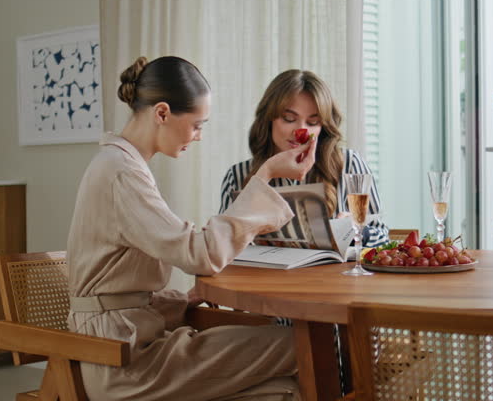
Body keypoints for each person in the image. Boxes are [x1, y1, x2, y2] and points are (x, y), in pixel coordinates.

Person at [66, 56, 316, 401]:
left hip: (132, 343)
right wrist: (266, 176)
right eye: (198, 125)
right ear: (163, 114)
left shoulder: (122, 165)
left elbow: (117, 286)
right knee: (298, 344)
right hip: (123, 361)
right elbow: (201, 254)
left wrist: (179, 301)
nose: (198, 136)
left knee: (285, 392)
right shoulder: (121, 172)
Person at [219, 69, 390, 247]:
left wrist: (362, 231)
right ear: (268, 119)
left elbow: (383, 238)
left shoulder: (350, 164)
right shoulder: (238, 175)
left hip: (332, 275)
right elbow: (221, 246)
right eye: (289, 118)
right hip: (264, 275)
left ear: (323, 127)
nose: (301, 132)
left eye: (312, 122)